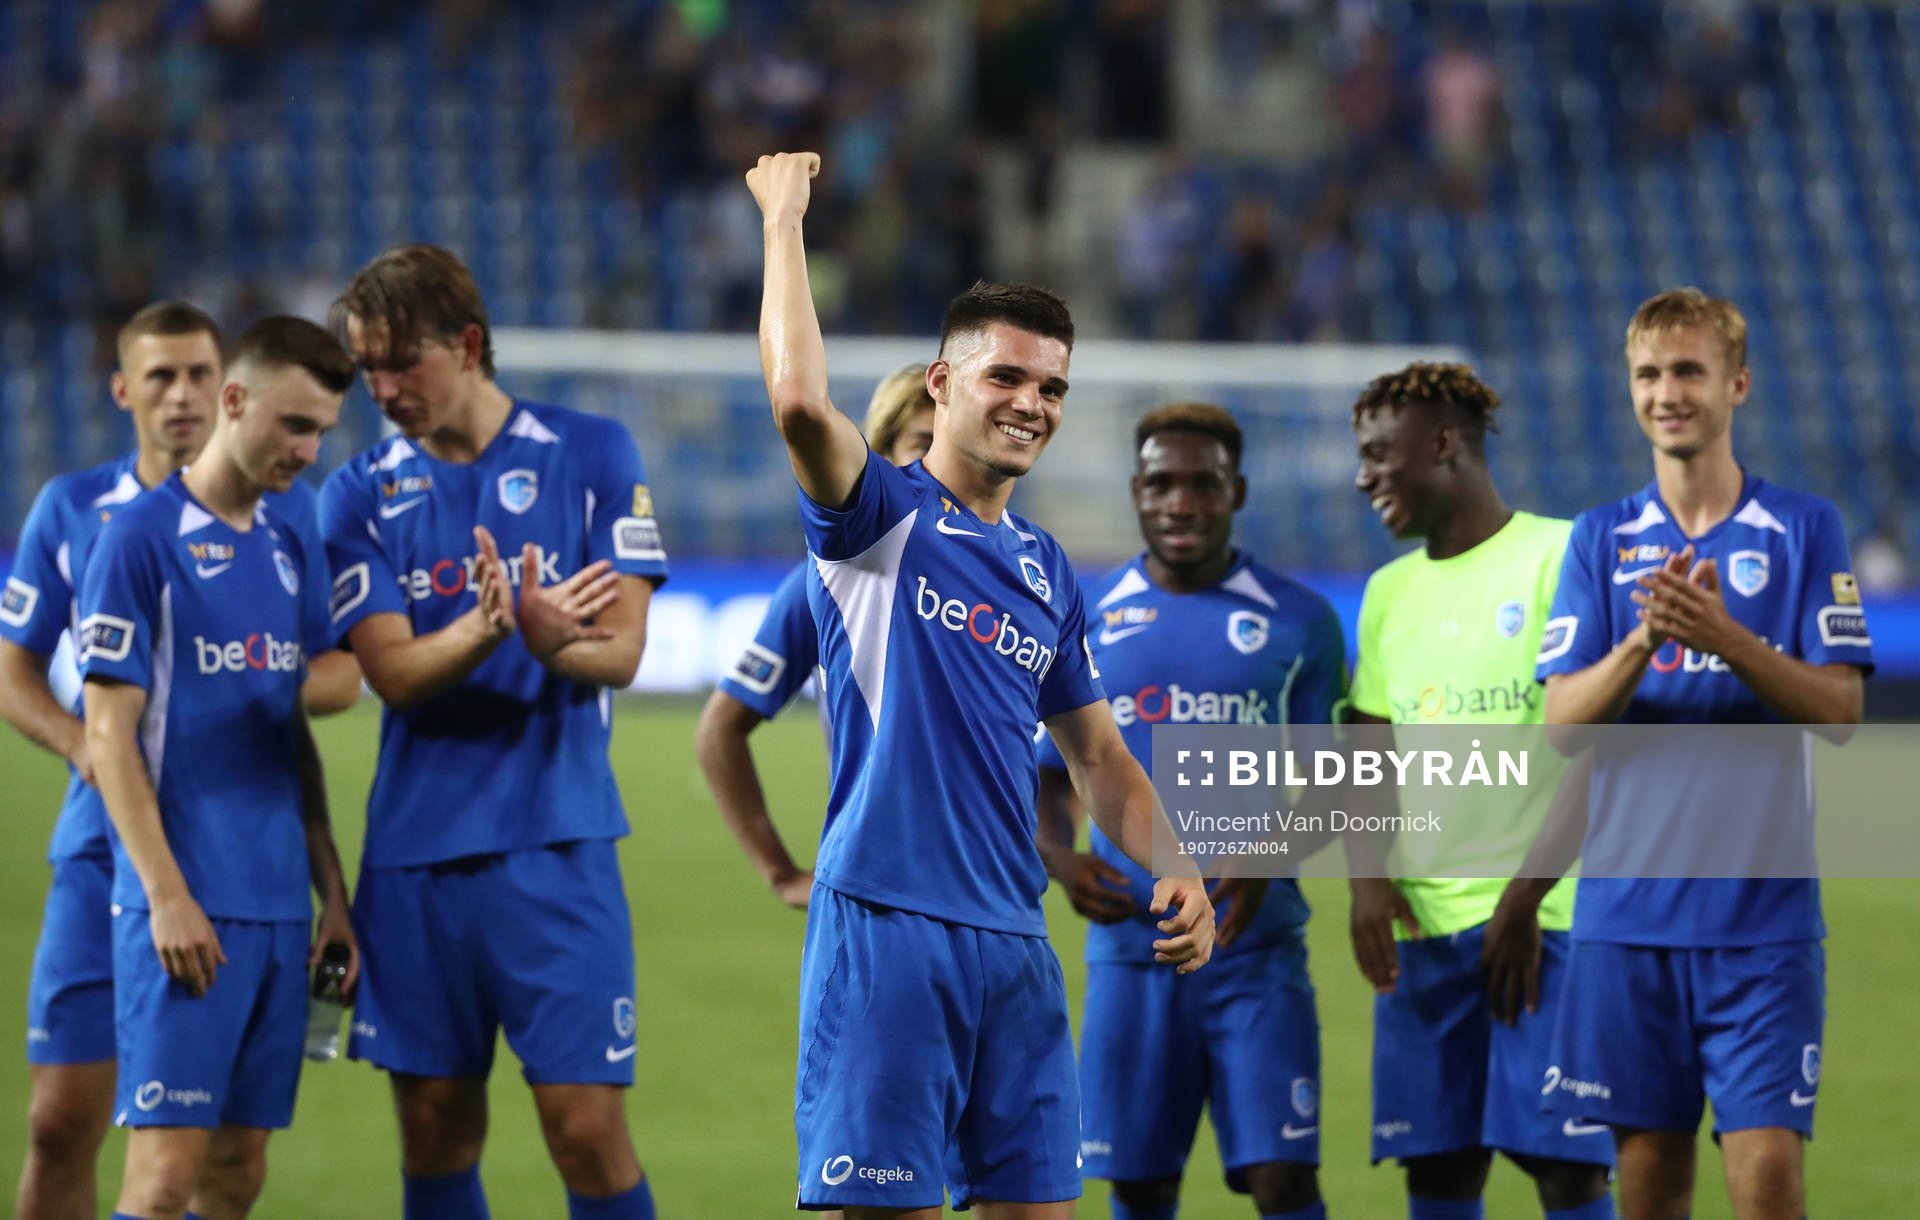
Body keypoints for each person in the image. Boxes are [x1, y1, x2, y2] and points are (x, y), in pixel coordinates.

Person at [748, 149, 1215, 1219]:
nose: (1032, 403)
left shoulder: (1048, 568)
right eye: (1007, 377)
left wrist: (1180, 864)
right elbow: (797, 402)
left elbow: (1098, 754)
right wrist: (783, 220)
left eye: (1052, 386)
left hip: (1014, 939)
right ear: (942, 382)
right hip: (887, 926)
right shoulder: (878, 518)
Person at [321, 244, 668, 1220]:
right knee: (434, 1127)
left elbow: (627, 647)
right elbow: (391, 671)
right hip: (414, 857)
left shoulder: (594, 451)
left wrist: (557, 643)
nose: (383, 389)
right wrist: (492, 625)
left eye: (402, 363)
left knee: (586, 1128)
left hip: (555, 842)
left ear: (469, 345)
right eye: (368, 369)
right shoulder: (354, 493)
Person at [0, 302, 358, 1220]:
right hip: (136, 869)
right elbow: (99, 723)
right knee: (104, 1147)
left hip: (273, 900)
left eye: (321, 431)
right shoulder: (114, 528)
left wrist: (333, 895)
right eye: (295, 426)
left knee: (236, 1171)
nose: (309, 450)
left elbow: (302, 722)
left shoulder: (290, 532)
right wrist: (159, 883)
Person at [1531, 288, 1872, 1220]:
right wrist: (1645, 641)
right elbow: (1563, 724)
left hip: (1761, 928)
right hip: (1628, 923)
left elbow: (1842, 707)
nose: (1667, 391)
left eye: (1688, 370)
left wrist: (1728, 639)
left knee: (1767, 1186)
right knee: (1650, 1194)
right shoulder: (1601, 539)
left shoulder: (1804, 527)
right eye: (1648, 373)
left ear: (1738, 384)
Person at [1034, 402, 1346, 1220]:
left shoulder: (1301, 622)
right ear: (1137, 491)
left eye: (1203, 484)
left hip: (1257, 946)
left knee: (1283, 1182)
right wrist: (1062, 861)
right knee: (1138, 1185)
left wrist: (1270, 855)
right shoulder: (1085, 615)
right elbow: (1049, 776)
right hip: (1134, 952)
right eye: (1163, 483)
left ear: (1235, 491)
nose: (1182, 502)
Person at [1346, 362, 1615, 1220]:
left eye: (1380, 453)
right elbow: (1368, 742)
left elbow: (1601, 750)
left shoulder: (1563, 553)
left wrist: (1526, 899)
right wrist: (1366, 880)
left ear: (1443, 443)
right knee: (1440, 1167)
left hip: (1554, 919)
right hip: (1426, 929)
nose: (1364, 476)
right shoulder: (1388, 594)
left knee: (1568, 1166)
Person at [696, 365, 934, 910]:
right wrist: (780, 873)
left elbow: (1085, 749)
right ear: (880, 453)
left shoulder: (1029, 572)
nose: (936, 467)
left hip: (1002, 901)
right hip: (875, 895)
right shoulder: (829, 581)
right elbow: (719, 729)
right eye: (922, 444)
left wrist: (1063, 857)